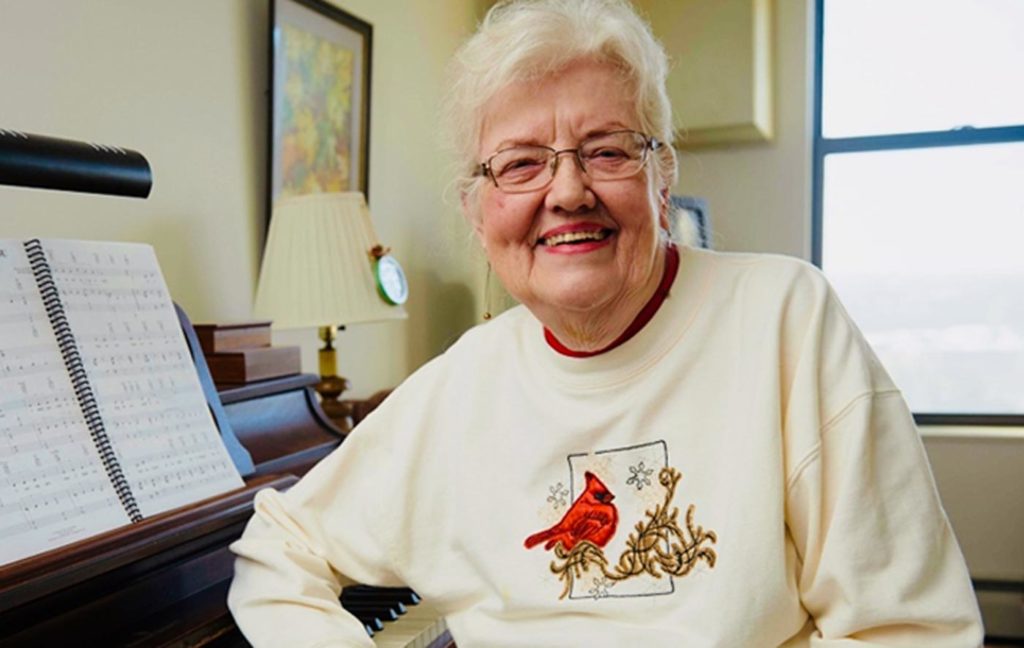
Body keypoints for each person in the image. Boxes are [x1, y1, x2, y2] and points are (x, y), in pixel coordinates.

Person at [228, 1, 984, 645]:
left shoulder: (787, 320)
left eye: (606, 151)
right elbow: (278, 548)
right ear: (477, 212)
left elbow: (909, 628)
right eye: (520, 164)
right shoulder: (459, 384)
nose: (567, 191)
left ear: (662, 180)